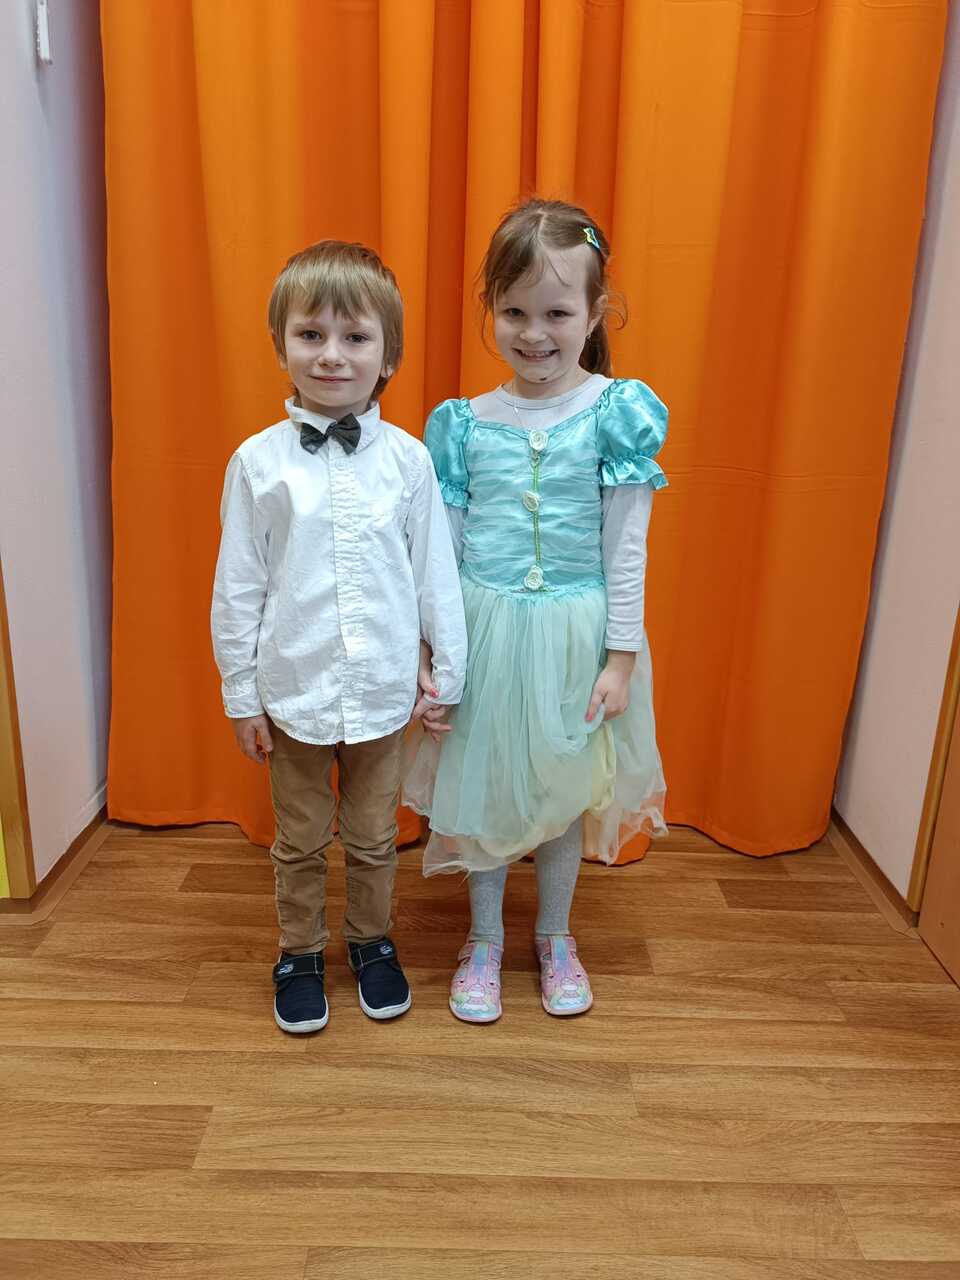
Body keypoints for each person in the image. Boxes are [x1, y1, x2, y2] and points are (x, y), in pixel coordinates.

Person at [405, 199, 667, 1023]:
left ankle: (554, 934)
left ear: (596, 311)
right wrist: (432, 649)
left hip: (573, 637)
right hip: (483, 634)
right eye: (514, 312)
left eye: (556, 313)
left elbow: (626, 548)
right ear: (491, 308)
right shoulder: (462, 424)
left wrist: (620, 657)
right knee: (485, 786)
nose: (534, 333)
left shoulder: (616, 414)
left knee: (561, 788)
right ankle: (482, 939)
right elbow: (440, 554)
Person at [212, 241, 467, 1034]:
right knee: (297, 839)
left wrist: (447, 672)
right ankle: (298, 952)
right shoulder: (257, 464)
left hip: (383, 690)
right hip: (294, 691)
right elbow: (238, 587)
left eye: (355, 337)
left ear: (388, 356)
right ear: (280, 345)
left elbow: (434, 574)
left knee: (373, 834)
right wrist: (241, 695)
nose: (331, 354)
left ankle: (370, 940)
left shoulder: (409, 462)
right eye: (310, 334)